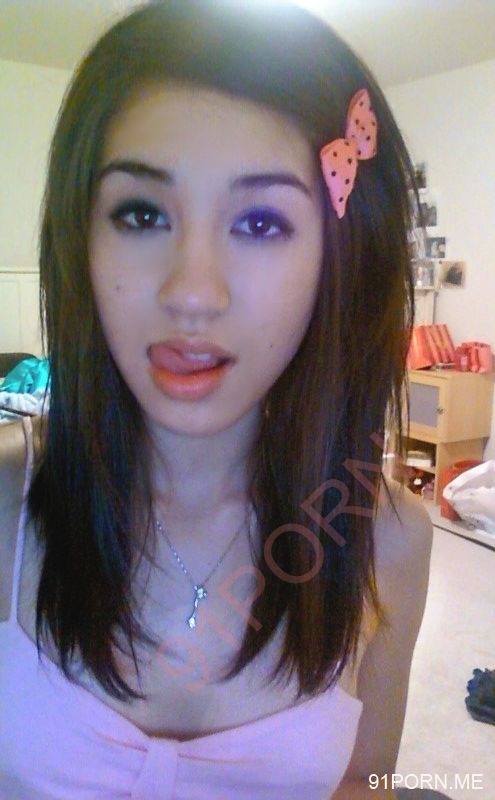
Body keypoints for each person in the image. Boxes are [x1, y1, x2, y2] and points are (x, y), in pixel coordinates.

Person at [0, 1, 436, 798]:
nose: (192, 293)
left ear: (336, 263)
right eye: (141, 213)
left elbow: (362, 784)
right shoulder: (7, 499)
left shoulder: (387, 538)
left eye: (261, 223)